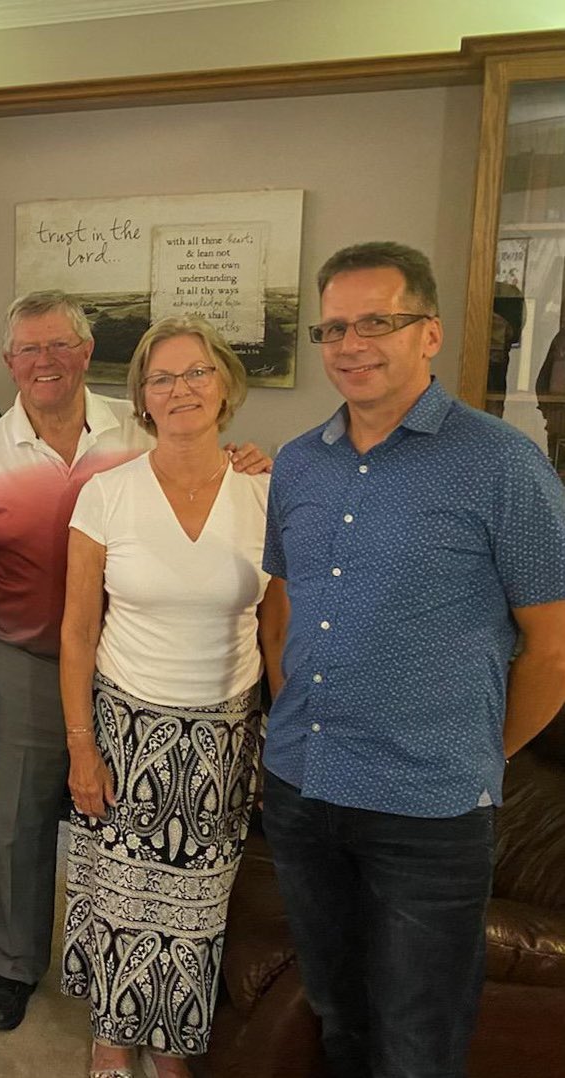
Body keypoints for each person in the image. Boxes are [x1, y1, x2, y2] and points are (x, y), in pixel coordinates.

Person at [261, 241, 565, 1078]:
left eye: (376, 323)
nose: (350, 344)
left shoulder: (502, 464)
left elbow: (553, 648)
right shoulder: (298, 463)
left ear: (429, 333)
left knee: (417, 1045)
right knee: (337, 1015)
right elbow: (285, 608)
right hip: (301, 790)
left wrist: (479, 755)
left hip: (427, 812)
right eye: (333, 328)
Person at [0, 291, 268, 1031]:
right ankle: (13, 962)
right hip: (22, 657)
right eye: (29, 348)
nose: (45, 361)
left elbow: (202, 474)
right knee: (16, 820)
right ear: (9, 362)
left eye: (60, 344)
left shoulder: (138, 425)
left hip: (126, 664)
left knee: (118, 823)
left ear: (87, 353)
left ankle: (138, 975)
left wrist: (247, 459)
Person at [59, 316, 286, 1078]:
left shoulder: (267, 494)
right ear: (143, 398)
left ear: (225, 385)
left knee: (197, 902)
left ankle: (168, 1042)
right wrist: (81, 746)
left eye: (196, 372)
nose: (180, 388)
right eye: (161, 378)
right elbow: (77, 631)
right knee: (119, 890)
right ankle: (111, 1034)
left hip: (226, 730)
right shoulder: (106, 496)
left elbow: (277, 632)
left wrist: (280, 741)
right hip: (125, 720)